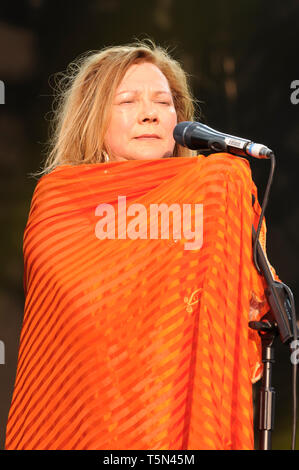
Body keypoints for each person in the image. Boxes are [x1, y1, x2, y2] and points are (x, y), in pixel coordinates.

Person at [5, 40, 276, 450]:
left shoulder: (214, 194)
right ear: (93, 118)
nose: (150, 113)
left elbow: (251, 304)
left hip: (184, 415)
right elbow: (77, 316)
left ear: (180, 120)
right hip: (88, 424)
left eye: (164, 103)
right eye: (127, 101)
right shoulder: (60, 200)